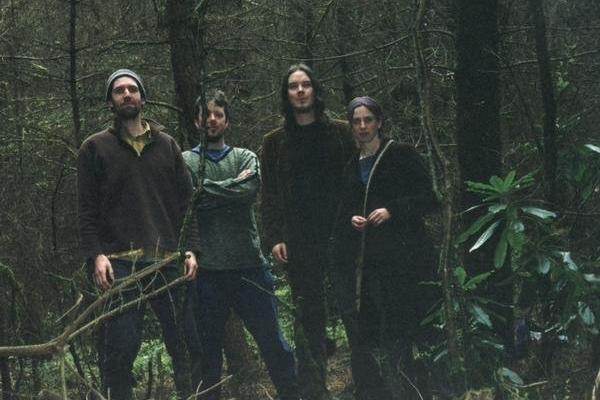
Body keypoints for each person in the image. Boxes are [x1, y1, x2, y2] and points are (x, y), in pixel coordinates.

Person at [77, 69, 199, 400]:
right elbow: (86, 211)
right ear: (110, 102)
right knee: (122, 346)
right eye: (119, 91)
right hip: (119, 262)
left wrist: (190, 250)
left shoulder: (167, 145)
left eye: (132, 89)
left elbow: (187, 204)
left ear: (143, 98)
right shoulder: (94, 148)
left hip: (167, 259)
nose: (127, 94)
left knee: (185, 341)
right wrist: (96, 255)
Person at [183, 90, 301, 400]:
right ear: (196, 121)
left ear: (227, 121)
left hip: (250, 267)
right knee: (207, 355)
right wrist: (227, 190)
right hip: (207, 272)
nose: (212, 120)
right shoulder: (185, 161)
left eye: (218, 114)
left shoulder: (245, 157)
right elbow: (188, 200)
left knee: (274, 344)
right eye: (206, 114)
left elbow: (247, 191)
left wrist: (203, 190)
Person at [330, 96, 438, 400]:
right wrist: (352, 219)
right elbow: (343, 211)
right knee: (388, 336)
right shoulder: (351, 167)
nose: (363, 126)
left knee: (420, 330)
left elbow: (430, 197)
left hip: (410, 262)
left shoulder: (400, 154)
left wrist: (393, 210)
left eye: (368, 120)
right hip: (373, 269)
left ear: (379, 122)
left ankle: (430, 389)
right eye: (356, 121)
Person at [260, 63, 355, 399]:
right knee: (309, 319)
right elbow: (269, 195)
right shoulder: (274, 143)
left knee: (353, 310)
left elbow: (356, 183)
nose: (300, 91)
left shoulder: (342, 133)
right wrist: (274, 237)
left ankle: (369, 384)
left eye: (305, 85)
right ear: (286, 95)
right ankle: (313, 391)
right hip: (299, 242)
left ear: (315, 90)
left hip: (342, 235)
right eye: (293, 86)